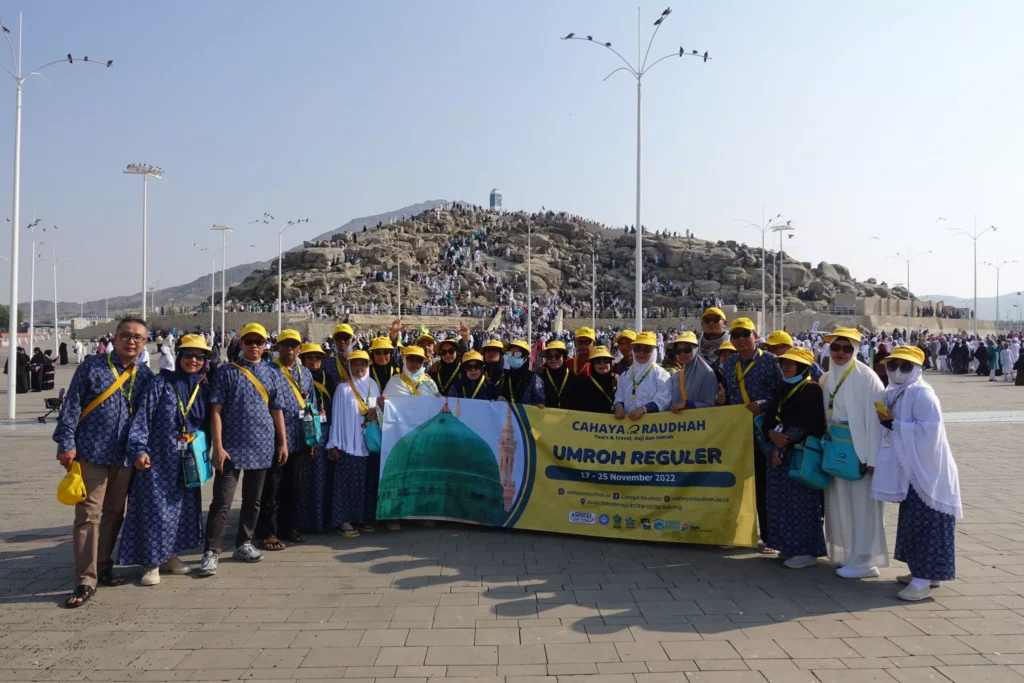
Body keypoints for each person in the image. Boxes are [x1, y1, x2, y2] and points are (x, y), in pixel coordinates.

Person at [53, 317, 154, 607]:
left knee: (113, 514)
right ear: (115, 338)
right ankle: (85, 578)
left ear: (145, 342)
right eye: (125, 335)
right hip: (91, 453)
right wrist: (67, 443)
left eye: (137, 337)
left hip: (124, 457)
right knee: (88, 516)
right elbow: (71, 405)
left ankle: (103, 565)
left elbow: (148, 417)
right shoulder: (92, 367)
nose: (131, 341)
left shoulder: (145, 376)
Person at [871, 345, 962, 601]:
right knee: (913, 521)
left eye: (905, 366)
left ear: (917, 369)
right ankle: (924, 573)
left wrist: (896, 424)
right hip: (910, 469)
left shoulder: (922, 393)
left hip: (928, 471)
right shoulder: (896, 391)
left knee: (929, 523)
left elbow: (931, 431)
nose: (898, 371)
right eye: (893, 365)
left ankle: (923, 581)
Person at [119, 334, 210, 586]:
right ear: (179, 356)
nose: (194, 360)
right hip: (157, 459)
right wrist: (138, 449)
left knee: (182, 509)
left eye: (199, 356)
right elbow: (143, 418)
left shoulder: (201, 386)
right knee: (155, 510)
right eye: (189, 355)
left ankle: (170, 556)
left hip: (187, 459)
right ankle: (151, 563)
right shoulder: (160, 384)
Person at [202, 323, 288, 577]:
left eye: (258, 342)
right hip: (231, 448)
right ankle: (212, 551)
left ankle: (244, 542)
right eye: (249, 341)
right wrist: (217, 446)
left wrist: (282, 442)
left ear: (265, 345)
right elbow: (215, 411)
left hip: (262, 446)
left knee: (254, 499)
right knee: (222, 501)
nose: (254, 346)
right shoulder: (227, 372)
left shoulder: (272, 373)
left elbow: (277, 410)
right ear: (241, 344)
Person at [819, 327, 888, 579]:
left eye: (847, 348)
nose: (840, 353)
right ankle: (849, 554)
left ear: (856, 350)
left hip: (860, 451)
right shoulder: (827, 378)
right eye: (836, 348)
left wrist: (872, 459)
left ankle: (865, 560)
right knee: (840, 503)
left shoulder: (866, 377)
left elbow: (876, 422)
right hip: (838, 450)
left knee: (863, 506)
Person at [719, 318, 783, 550]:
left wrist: (764, 404)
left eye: (745, 334)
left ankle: (769, 537)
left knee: (765, 487)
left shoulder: (771, 362)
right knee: (735, 485)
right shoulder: (730, 363)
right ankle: (736, 533)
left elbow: (782, 393)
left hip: (763, 431)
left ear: (755, 336)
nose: (741, 339)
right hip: (738, 432)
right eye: (736, 336)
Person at [761, 347, 827, 569]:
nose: (786, 367)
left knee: (801, 505)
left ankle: (806, 550)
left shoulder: (811, 390)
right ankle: (787, 546)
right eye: (783, 363)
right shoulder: (783, 387)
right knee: (780, 503)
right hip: (778, 452)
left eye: (791, 364)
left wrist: (784, 441)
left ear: (803, 367)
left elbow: (811, 423)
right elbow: (770, 417)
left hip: (798, 452)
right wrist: (772, 435)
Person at [258, 329, 316, 549]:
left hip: (300, 437)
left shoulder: (305, 373)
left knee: (294, 486)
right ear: (277, 347)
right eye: (285, 345)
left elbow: (311, 406)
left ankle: (289, 527)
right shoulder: (269, 371)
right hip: (275, 438)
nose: (289, 349)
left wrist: (312, 439)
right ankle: (268, 532)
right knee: (272, 487)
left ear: (300, 349)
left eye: (293, 345)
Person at [381, 345, 439, 530]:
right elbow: (389, 408)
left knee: (421, 476)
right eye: (411, 359)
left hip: (424, 437)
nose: (414, 364)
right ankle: (394, 515)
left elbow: (436, 406)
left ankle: (420, 513)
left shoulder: (430, 383)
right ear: (404, 360)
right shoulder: (396, 381)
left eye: (418, 360)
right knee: (399, 475)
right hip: (402, 436)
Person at [329, 349, 381, 537]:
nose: (359, 368)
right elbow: (336, 416)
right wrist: (334, 444)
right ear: (349, 366)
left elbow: (378, 410)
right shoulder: (343, 388)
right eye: (356, 364)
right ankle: (344, 521)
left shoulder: (373, 385)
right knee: (346, 483)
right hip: (348, 441)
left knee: (364, 483)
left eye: (363, 364)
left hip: (368, 441)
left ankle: (360, 518)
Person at [297, 342, 334, 534]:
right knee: (304, 479)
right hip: (303, 431)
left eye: (317, 358)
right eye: (310, 357)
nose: (314, 361)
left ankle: (321, 520)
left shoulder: (329, 378)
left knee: (322, 477)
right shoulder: (298, 378)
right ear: (303, 359)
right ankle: (303, 521)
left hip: (325, 430)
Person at [614, 331, 670, 421]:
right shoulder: (625, 375)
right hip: (628, 425)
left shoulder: (661, 374)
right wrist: (618, 406)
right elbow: (619, 396)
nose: (641, 353)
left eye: (646, 349)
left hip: (653, 426)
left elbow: (664, 399)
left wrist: (644, 409)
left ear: (654, 351)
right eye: (637, 349)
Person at [667, 332, 718, 411]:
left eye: (687, 350)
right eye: (678, 351)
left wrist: (688, 404)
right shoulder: (676, 376)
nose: (682, 354)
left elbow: (711, 405)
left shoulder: (707, 373)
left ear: (694, 350)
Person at [570, 345, 617, 413]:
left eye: (606, 360)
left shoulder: (618, 383)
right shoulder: (581, 386)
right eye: (597, 361)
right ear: (592, 365)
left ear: (610, 363)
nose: (602, 363)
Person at [497, 340, 544, 406]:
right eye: (510, 354)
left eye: (517, 354)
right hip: (508, 415)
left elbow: (540, 402)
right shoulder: (505, 377)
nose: (513, 357)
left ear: (525, 357)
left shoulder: (534, 378)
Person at [540, 341, 577, 408]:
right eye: (549, 356)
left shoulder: (574, 378)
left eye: (557, 356)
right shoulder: (540, 377)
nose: (553, 359)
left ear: (564, 357)